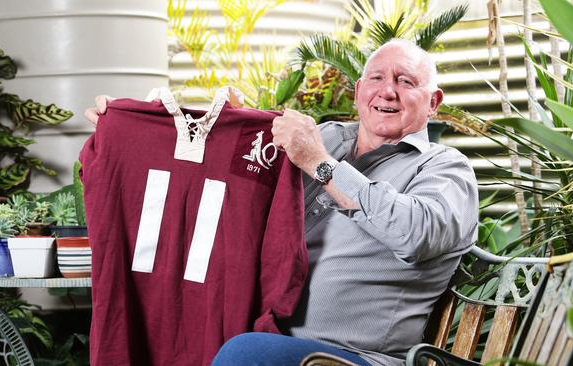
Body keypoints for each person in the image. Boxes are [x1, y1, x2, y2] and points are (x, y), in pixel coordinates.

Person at [84, 39, 479, 366]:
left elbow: (416, 233)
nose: (388, 90)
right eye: (376, 78)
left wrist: (320, 165)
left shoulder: (445, 169)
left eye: (405, 81)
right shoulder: (327, 137)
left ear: (433, 102)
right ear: (359, 92)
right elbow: (229, 185)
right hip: (261, 329)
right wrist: (123, 133)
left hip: (352, 357)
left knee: (244, 354)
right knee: (173, 333)